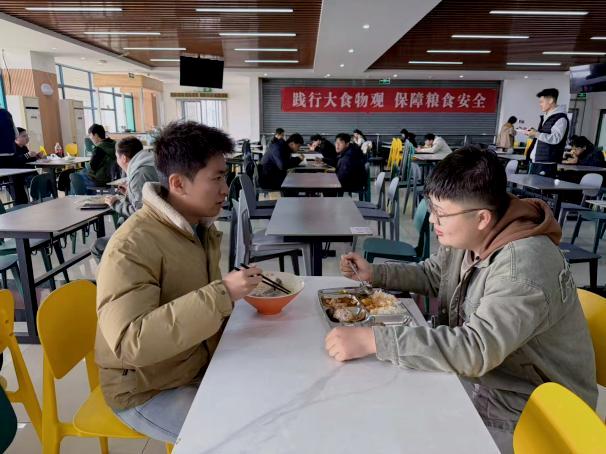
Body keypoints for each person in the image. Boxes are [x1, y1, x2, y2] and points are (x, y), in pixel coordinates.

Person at [325, 146, 597, 454]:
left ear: (482, 217)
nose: (432, 220)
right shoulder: (474, 233)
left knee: (402, 430)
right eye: (432, 208)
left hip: (534, 409)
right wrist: (375, 273)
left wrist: (375, 340)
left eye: (441, 213)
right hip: (494, 378)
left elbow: (475, 349)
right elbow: (435, 275)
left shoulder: (522, 268)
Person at [95, 121, 263, 444]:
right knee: (244, 439)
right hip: (147, 389)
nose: (225, 189)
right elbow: (130, 342)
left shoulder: (198, 227)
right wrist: (223, 294)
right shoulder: (132, 246)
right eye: (216, 178)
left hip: (192, 365)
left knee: (269, 399)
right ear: (178, 183)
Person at [90, 137, 159, 262]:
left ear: (123, 158)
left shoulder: (138, 175)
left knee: (97, 246)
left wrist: (115, 203)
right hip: (157, 230)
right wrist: (129, 193)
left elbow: (141, 213)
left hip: (146, 234)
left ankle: (111, 275)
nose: (117, 161)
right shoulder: (150, 165)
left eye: (117, 157)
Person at [524, 88, 569, 177]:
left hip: (546, 164)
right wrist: (533, 133)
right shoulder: (547, 116)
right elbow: (543, 136)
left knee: (539, 186)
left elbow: (556, 139)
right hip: (537, 161)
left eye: (542, 102)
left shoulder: (560, 118)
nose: (540, 104)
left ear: (551, 100)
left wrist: (536, 134)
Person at [69, 124, 117, 192]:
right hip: (111, 178)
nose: (90, 138)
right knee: (78, 174)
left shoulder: (99, 149)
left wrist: (86, 164)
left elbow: (92, 167)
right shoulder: (114, 144)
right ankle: (87, 196)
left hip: (99, 180)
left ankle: (79, 197)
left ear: (95, 135)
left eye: (90, 135)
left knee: (74, 176)